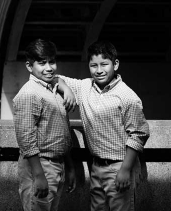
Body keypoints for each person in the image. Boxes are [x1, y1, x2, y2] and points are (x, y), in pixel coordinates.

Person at [55, 41, 150, 211]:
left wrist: (125, 170)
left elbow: (139, 134)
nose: (99, 70)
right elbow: (56, 78)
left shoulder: (127, 96)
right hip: (96, 167)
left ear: (116, 64)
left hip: (119, 167)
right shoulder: (84, 86)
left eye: (104, 64)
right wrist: (67, 90)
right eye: (93, 65)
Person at [12, 38, 83, 211]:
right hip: (40, 166)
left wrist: (70, 167)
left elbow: (62, 132)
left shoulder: (52, 89)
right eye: (42, 63)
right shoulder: (29, 94)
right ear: (29, 66)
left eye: (52, 61)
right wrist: (39, 176)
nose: (49, 68)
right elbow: (26, 140)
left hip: (57, 166)